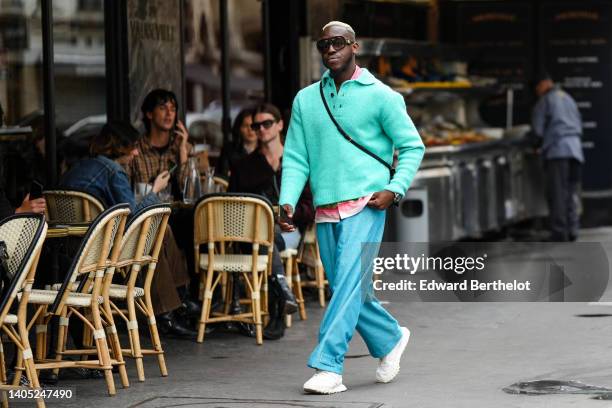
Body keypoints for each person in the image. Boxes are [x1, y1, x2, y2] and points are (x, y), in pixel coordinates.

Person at [278, 21, 425, 394]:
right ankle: (390, 337)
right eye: (323, 44)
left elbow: (412, 147)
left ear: (354, 46)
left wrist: (395, 188)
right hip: (326, 210)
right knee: (348, 288)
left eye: (338, 42)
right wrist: (288, 200)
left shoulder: (382, 96)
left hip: (367, 205)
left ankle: (328, 367)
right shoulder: (305, 100)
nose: (331, 49)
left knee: (345, 286)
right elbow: (295, 157)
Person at [60, 121, 198, 337]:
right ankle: (170, 310)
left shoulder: (80, 166)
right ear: (118, 147)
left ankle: (176, 304)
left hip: (69, 246)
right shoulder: (114, 171)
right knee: (156, 232)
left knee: (163, 231)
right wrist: (155, 190)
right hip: (100, 250)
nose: (135, 153)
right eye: (132, 147)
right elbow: (135, 215)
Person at [229, 103, 314, 340]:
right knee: (267, 236)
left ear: (279, 125)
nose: (262, 129)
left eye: (267, 123)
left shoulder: (297, 162)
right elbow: (233, 205)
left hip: (289, 230)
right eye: (257, 125)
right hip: (251, 233)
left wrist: (287, 215)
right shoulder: (243, 166)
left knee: (272, 236)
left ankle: (280, 298)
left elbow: (311, 206)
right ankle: (281, 295)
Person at [532, 72, 584, 242]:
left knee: (557, 193)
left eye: (537, 88)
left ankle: (559, 232)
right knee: (571, 191)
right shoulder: (568, 98)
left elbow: (537, 131)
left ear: (543, 84)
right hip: (576, 150)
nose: (537, 91)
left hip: (557, 150)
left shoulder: (544, 101)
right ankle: (573, 229)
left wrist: (535, 145)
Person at [129, 89, 192, 192]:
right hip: (146, 207)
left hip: (179, 208)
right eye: (163, 108)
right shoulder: (135, 150)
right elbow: (124, 195)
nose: (169, 114)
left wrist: (182, 152)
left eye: (173, 109)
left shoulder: (185, 148)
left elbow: (191, 194)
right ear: (149, 114)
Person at [217, 108, 258, 178]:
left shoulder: (265, 149)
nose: (250, 130)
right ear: (239, 128)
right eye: (245, 126)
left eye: (253, 126)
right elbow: (223, 174)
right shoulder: (229, 149)